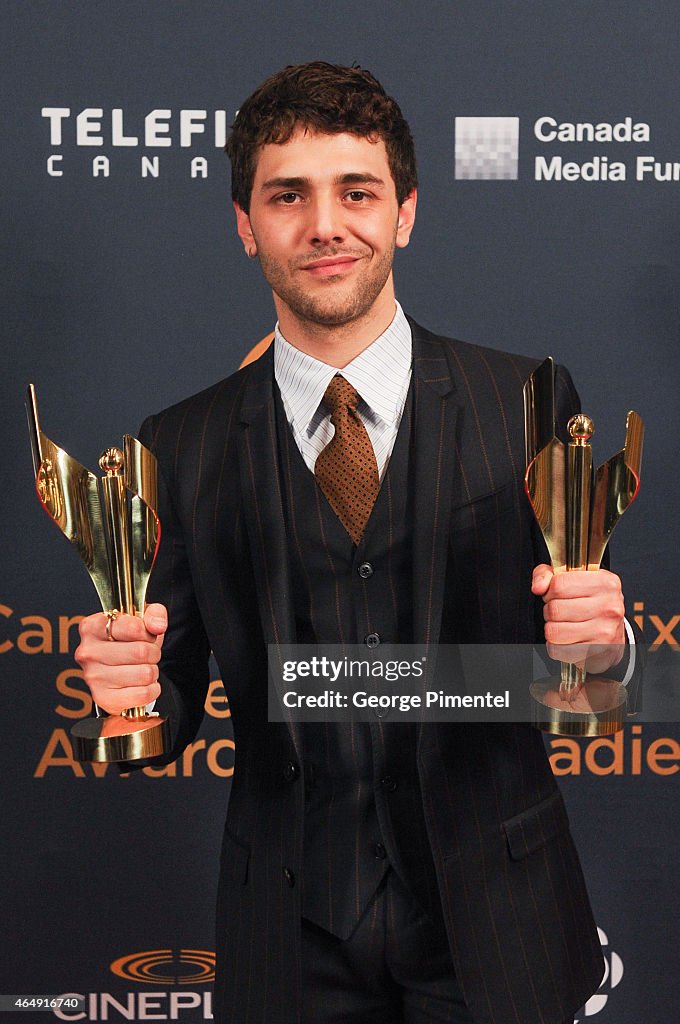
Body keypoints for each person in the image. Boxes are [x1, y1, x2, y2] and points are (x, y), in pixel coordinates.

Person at [75, 63, 636, 1024]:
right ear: (246, 226)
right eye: (286, 196)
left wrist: (605, 656)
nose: (324, 225)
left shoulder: (529, 403)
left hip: (500, 917)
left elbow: (590, 694)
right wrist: (123, 699)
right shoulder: (177, 445)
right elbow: (158, 719)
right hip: (286, 933)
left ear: (406, 212)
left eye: (357, 192)